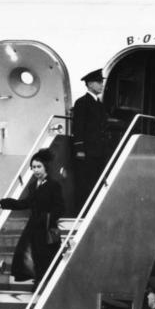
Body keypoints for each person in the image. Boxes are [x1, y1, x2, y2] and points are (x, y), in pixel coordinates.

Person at [0, 148, 66, 284]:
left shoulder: (53, 185)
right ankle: (38, 281)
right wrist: (9, 203)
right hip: (34, 225)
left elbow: (60, 208)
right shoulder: (34, 185)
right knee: (30, 254)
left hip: (46, 227)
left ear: (45, 167)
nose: (36, 170)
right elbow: (27, 203)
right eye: (33, 167)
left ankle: (43, 283)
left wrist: (48, 217)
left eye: (39, 167)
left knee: (44, 256)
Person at [71, 68, 108, 212]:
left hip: (99, 151)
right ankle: (83, 212)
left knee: (97, 182)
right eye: (99, 82)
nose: (101, 85)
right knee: (86, 183)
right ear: (90, 84)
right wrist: (79, 149)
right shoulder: (82, 102)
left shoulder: (99, 104)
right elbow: (78, 127)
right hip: (87, 151)